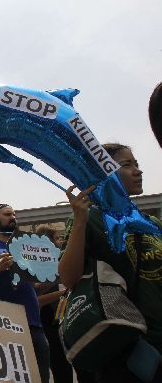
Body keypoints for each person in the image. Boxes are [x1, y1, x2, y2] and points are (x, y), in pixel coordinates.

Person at [59, 143, 162, 383]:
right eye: (127, 165)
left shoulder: (153, 223)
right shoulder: (91, 218)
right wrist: (80, 221)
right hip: (129, 348)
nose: (138, 171)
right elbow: (68, 277)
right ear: (103, 172)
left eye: (136, 164)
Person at [0, 204, 51, 383]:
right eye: (7, 214)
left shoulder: (22, 248)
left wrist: (52, 277)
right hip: (6, 327)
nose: (13, 217)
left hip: (35, 326)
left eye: (14, 214)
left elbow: (32, 289)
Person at [34, 225, 71, 383]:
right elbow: (36, 292)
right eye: (56, 238)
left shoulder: (60, 260)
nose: (60, 242)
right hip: (47, 322)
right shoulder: (34, 265)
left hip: (63, 318)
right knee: (59, 364)